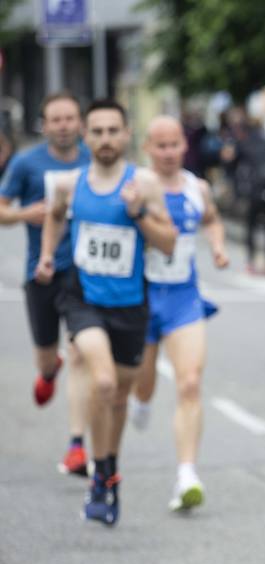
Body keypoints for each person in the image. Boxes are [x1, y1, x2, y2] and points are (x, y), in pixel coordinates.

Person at [36, 98, 176, 526]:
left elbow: (168, 242)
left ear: (126, 134)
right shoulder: (69, 184)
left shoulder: (146, 183)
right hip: (83, 300)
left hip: (131, 306)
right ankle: (99, 473)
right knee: (102, 379)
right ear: (85, 136)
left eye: (113, 131)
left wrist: (137, 213)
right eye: (96, 132)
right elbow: (54, 217)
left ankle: (108, 471)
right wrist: (46, 256)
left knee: (119, 396)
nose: (105, 139)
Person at [129, 115, 229, 511]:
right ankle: (141, 398)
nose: (168, 152)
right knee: (143, 383)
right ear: (147, 148)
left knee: (189, 383)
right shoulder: (135, 185)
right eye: (161, 146)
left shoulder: (196, 187)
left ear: (183, 147)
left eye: (174, 145)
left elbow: (212, 219)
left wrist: (217, 246)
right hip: (139, 296)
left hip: (184, 298)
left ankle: (187, 473)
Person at [0, 91, 93, 476]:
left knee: (82, 354)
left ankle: (76, 445)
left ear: (80, 122)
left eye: (70, 118)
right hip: (40, 273)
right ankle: (48, 369)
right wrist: (25, 213)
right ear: (45, 124)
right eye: (56, 119)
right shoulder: (26, 163)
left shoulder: (94, 158)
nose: (64, 126)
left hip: (85, 272)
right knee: (48, 354)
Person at [223, 116, 265, 275]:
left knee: (252, 225)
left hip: (255, 189)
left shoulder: (243, 145)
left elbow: (231, 166)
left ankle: (252, 262)